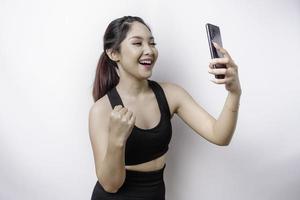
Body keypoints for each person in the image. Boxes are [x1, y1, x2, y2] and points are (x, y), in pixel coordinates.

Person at [88, 16, 242, 200]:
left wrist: (234, 93)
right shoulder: (101, 110)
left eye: (152, 43)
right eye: (137, 43)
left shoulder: (171, 94)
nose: (149, 50)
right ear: (114, 54)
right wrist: (116, 140)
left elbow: (220, 135)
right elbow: (111, 185)